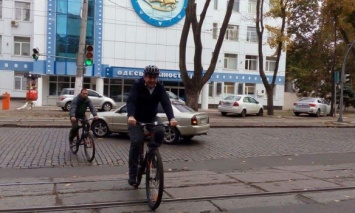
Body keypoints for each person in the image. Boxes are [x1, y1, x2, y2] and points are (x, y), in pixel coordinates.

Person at [126, 65, 178, 186]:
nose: (152, 80)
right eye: (150, 77)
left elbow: (166, 103)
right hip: (135, 118)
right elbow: (131, 100)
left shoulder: (160, 87)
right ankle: (133, 173)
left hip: (151, 117)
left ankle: (152, 152)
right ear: (145, 77)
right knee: (136, 142)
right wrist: (131, 116)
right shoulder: (137, 85)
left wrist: (172, 118)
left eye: (155, 77)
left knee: (160, 130)